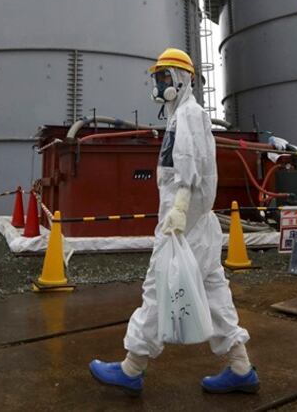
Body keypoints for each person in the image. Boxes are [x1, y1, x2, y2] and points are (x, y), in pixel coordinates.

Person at [90, 48, 258, 396]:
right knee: (213, 292)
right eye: (157, 77)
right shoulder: (181, 115)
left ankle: (132, 367)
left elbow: (187, 171)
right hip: (198, 226)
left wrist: (177, 214)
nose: (159, 83)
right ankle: (241, 368)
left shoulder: (189, 116)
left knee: (157, 288)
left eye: (165, 77)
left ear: (182, 80)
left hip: (183, 226)